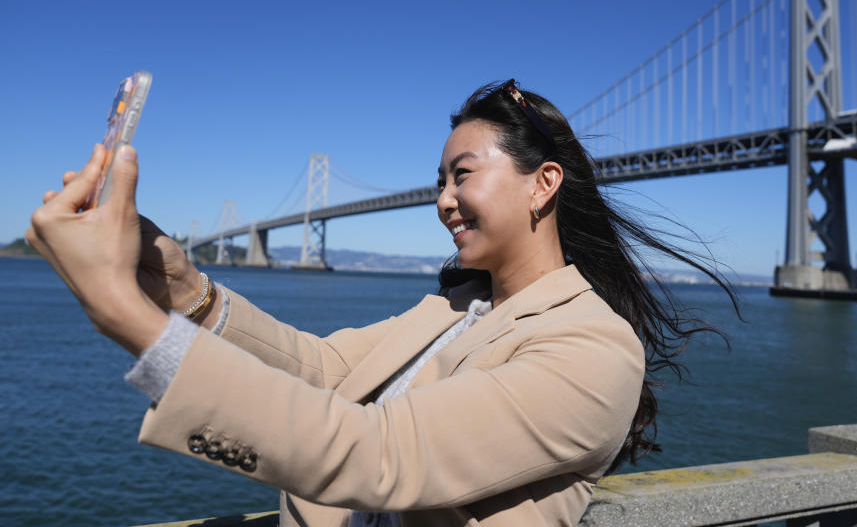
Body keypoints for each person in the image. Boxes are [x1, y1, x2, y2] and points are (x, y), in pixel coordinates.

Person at [27, 79, 734, 526]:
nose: (442, 201)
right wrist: (180, 287)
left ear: (543, 184)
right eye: (438, 181)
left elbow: (382, 456)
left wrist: (126, 313)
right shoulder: (456, 309)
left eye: (462, 176)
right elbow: (325, 370)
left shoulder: (592, 348)